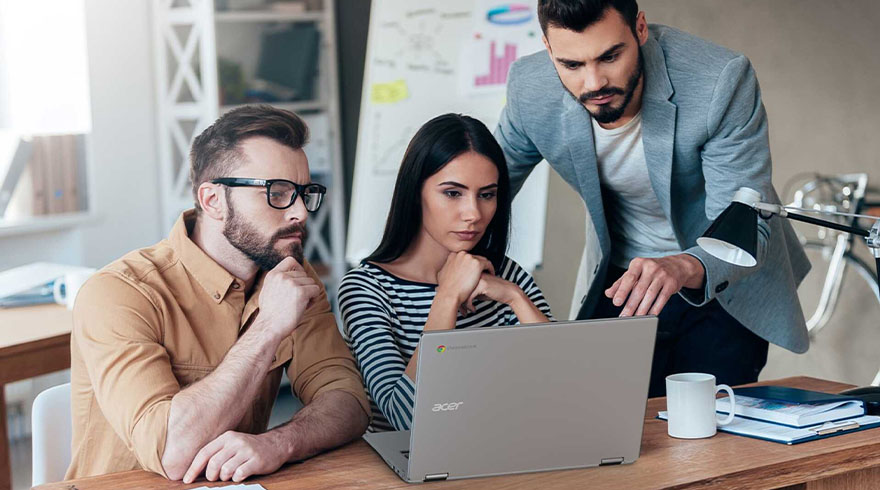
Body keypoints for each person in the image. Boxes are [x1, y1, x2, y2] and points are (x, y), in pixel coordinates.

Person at [494, 0, 810, 396]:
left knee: (709, 442)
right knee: (603, 422)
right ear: (547, 47)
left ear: (640, 28)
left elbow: (745, 220)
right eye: (571, 65)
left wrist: (680, 265)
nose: (593, 83)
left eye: (610, 56)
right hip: (622, 280)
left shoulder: (719, 80)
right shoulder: (530, 87)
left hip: (721, 281)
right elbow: (487, 186)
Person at [67, 106, 370, 483]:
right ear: (212, 201)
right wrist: (269, 327)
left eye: (304, 193)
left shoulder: (289, 276)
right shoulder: (118, 293)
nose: (300, 213)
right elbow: (172, 452)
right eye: (277, 192)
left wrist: (280, 443)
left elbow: (349, 400)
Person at [338, 113, 554, 431]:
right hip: (407, 469)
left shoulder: (505, 276)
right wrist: (447, 296)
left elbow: (561, 385)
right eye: (453, 193)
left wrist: (514, 297)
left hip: (496, 451)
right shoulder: (366, 289)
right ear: (415, 192)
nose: (473, 213)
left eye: (487, 195)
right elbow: (407, 419)